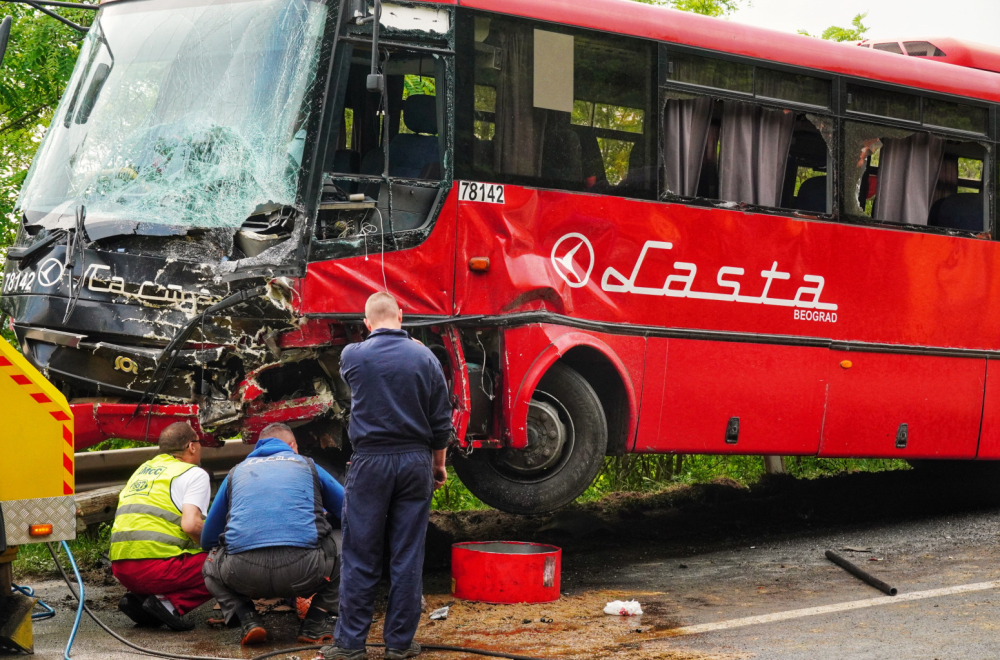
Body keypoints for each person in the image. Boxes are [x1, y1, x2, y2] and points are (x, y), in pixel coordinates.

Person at [323, 292, 452, 660]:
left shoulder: (354, 355)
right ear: (402, 316)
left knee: (361, 552)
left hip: (371, 462)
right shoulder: (425, 358)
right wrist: (437, 464)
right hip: (416, 461)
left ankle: (349, 645)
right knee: (407, 555)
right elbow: (441, 422)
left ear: (366, 323)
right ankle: (399, 645)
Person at [201, 423, 345, 646]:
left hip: (242, 574)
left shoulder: (235, 472)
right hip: (306, 570)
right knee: (348, 542)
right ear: (292, 446)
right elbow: (350, 511)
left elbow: (208, 538)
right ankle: (316, 620)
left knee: (210, 564)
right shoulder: (307, 465)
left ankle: (248, 620)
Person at [110, 422, 212, 631]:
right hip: (154, 569)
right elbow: (192, 525)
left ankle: (141, 600)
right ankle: (169, 605)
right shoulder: (193, 473)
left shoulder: (143, 470)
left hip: (120, 569)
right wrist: (214, 547)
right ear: (191, 446)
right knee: (223, 564)